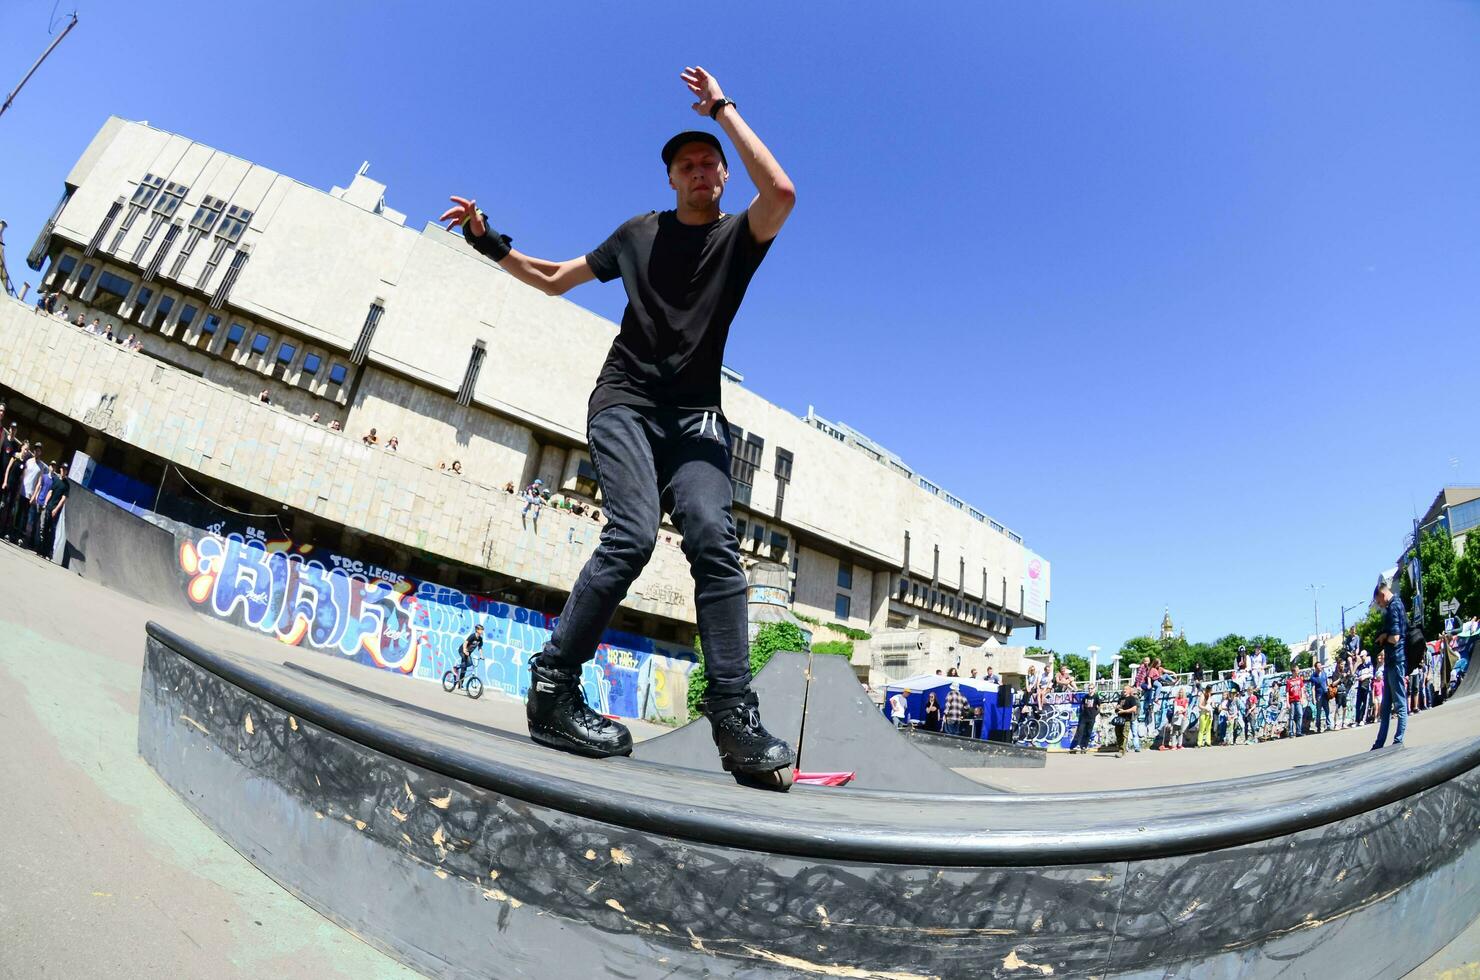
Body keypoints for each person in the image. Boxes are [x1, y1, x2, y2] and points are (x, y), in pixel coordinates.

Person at [443, 66, 796, 774]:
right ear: (671, 180)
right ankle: (554, 688)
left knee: (714, 542)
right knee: (633, 533)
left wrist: (722, 109)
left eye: (709, 164)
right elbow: (555, 277)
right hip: (625, 403)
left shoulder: (738, 237)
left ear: (724, 175)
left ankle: (733, 716)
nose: (699, 172)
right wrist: (489, 240)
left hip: (695, 420)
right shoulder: (639, 233)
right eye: (685, 165)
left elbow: (782, 192)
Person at [1371, 581, 1409, 750]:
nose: (1380, 605)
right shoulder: (1396, 605)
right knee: (1385, 705)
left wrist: (1383, 636)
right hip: (1391, 661)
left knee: (1399, 703)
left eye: (1379, 602)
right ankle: (1379, 743)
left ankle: (1398, 739)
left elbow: (1395, 638)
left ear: (1383, 594)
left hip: (1396, 660)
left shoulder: (1394, 607)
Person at [37, 463, 68, 560]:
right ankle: (41, 550)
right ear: (60, 470)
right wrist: (46, 503)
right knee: (45, 528)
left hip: (56, 510)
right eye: (62, 469)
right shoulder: (55, 480)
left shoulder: (66, 485)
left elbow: (63, 499)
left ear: (67, 471)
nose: (63, 471)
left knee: (52, 530)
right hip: (49, 507)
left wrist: (56, 509)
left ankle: (48, 552)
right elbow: (50, 492)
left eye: (65, 469)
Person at [1070, 687, 1101, 753]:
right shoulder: (1085, 697)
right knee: (1080, 731)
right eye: (1089, 688)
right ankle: (1078, 745)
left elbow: (1099, 706)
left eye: (1091, 688)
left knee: (1088, 732)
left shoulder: (1096, 697)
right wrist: (1082, 713)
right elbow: (1082, 705)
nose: (1090, 690)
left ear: (1094, 689)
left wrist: (1095, 714)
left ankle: (1085, 746)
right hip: (1084, 717)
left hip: (1091, 718)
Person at [1112, 684, 1139, 757]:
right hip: (1119, 720)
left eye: (1126, 689)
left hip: (1126, 720)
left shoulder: (1132, 698)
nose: (1124, 690)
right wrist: (1117, 708)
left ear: (1130, 690)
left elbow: (1134, 709)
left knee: (1124, 736)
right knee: (1118, 735)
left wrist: (1124, 711)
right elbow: (1117, 710)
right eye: (1123, 689)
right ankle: (1120, 749)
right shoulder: (1120, 699)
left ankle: (1122, 751)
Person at [1284, 669, 1306, 737]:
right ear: (1293, 672)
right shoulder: (1289, 681)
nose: (1298, 672)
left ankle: (1298, 731)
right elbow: (1287, 692)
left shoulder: (1299, 680)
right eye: (1297, 671)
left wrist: (1302, 698)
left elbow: (1302, 689)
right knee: (1292, 716)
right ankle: (1291, 732)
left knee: (1300, 714)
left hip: (1298, 700)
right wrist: (1287, 702)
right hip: (1292, 701)